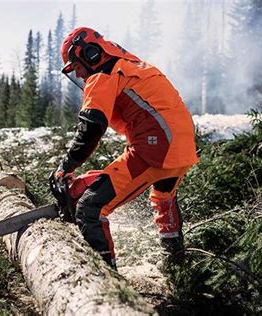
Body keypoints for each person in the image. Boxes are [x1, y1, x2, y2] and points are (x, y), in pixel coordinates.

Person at [52, 27, 199, 270]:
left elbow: (91, 127)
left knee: (90, 207)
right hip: (181, 146)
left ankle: (107, 284)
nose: (78, 74)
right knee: (163, 197)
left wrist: (65, 167)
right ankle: (177, 267)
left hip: (157, 149)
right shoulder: (132, 66)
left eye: (77, 66)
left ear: (90, 54)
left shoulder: (104, 74)